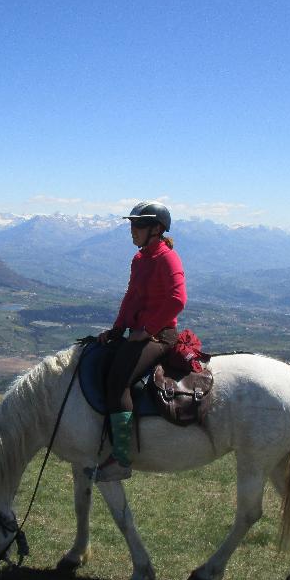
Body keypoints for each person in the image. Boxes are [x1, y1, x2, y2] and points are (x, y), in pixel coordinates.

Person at [92, 201, 187, 482]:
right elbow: (131, 297)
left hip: (161, 335)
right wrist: (116, 329)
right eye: (132, 225)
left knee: (119, 379)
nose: (132, 230)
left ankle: (121, 459)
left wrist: (147, 329)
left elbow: (178, 300)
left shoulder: (168, 258)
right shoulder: (141, 259)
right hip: (139, 332)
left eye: (138, 225)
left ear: (156, 229)